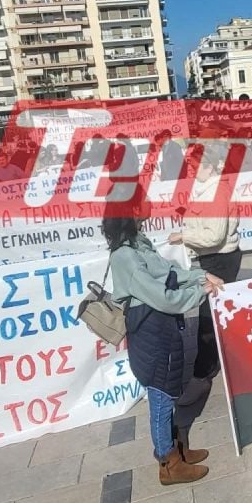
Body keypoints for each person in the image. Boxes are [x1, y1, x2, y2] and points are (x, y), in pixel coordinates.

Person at [103, 213, 222, 485]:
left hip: (163, 328)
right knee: (160, 399)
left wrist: (201, 276)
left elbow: (168, 273)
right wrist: (199, 291)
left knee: (168, 390)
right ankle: (168, 464)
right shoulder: (125, 256)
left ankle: (177, 447)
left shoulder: (138, 243)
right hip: (151, 332)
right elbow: (164, 298)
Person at [168, 146, 241, 402]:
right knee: (212, 314)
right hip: (209, 257)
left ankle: (202, 375)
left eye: (195, 166)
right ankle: (223, 357)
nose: (190, 171)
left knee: (207, 318)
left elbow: (214, 235)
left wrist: (184, 236)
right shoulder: (203, 188)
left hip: (219, 259)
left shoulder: (217, 191)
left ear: (209, 167)